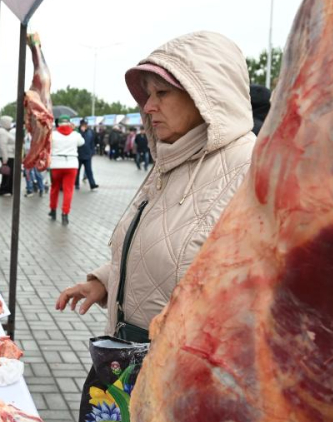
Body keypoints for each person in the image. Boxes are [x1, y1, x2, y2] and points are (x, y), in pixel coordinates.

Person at [55, 30, 256, 343]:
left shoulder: (252, 170)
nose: (148, 107)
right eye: (147, 95)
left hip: (185, 377)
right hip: (130, 363)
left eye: (161, 93)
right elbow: (161, 248)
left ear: (207, 96)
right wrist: (107, 281)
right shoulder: (173, 157)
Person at [48, 115, 84, 225]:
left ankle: (53, 210)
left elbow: (48, 145)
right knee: (68, 190)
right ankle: (65, 213)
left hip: (56, 164)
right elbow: (82, 142)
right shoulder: (75, 135)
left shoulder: (52, 135)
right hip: (71, 164)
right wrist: (76, 129)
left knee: (54, 188)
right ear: (69, 123)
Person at [75, 119, 98, 191]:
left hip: (88, 154)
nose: (85, 126)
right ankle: (76, 184)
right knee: (77, 171)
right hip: (79, 155)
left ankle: (92, 184)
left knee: (89, 171)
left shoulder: (90, 132)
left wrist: (92, 151)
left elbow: (92, 142)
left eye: (86, 124)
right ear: (81, 125)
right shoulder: (77, 133)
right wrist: (82, 132)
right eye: (83, 125)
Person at [0, 115, 15, 196]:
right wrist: (5, 158)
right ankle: (4, 190)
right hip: (8, 156)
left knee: (9, 174)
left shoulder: (4, 131)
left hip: (10, 155)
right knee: (7, 174)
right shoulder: (2, 132)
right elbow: (3, 145)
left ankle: (8, 189)